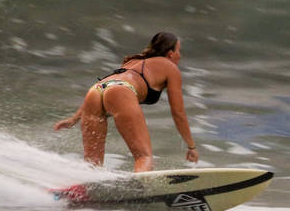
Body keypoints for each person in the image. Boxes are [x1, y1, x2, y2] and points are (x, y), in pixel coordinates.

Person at [53, 32, 198, 172]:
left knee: (92, 163)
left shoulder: (133, 61)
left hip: (95, 91)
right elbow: (178, 112)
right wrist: (191, 146)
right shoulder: (170, 67)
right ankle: (140, 192)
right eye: (179, 50)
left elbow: (106, 84)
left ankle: (87, 192)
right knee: (144, 157)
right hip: (120, 91)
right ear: (171, 53)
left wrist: (74, 119)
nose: (180, 55)